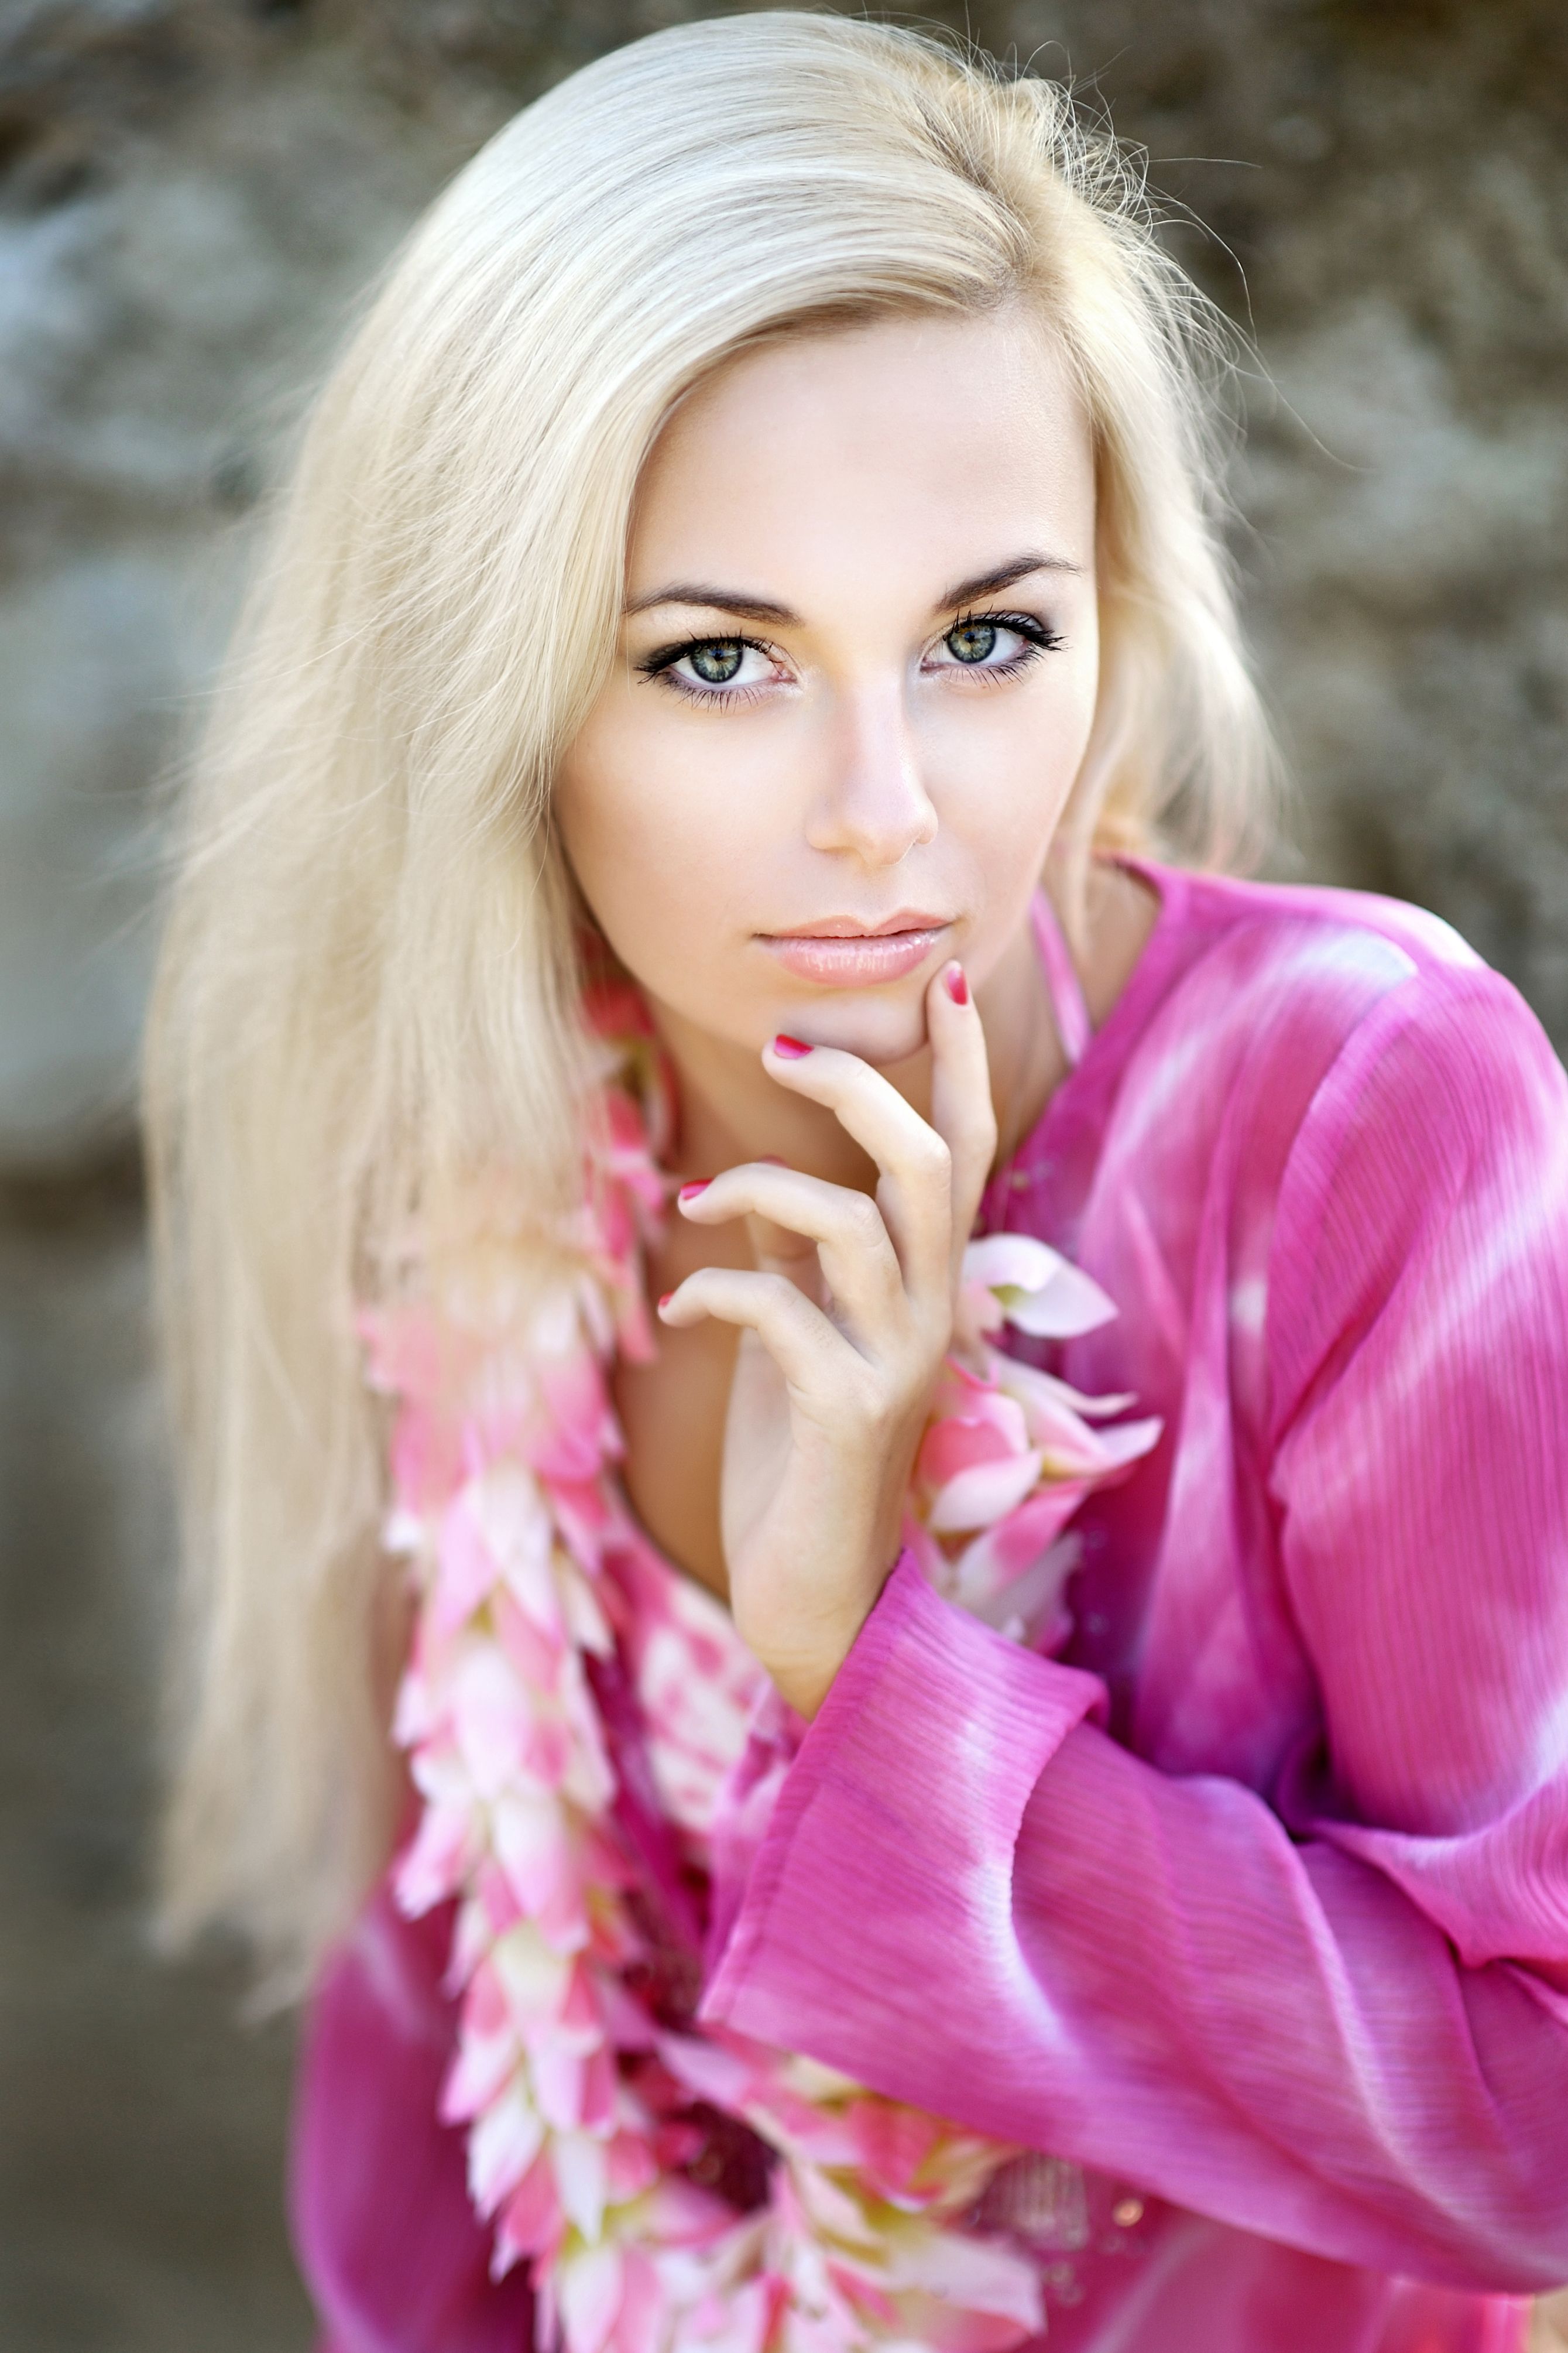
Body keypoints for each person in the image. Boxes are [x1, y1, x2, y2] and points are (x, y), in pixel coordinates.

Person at [143, 16, 1568, 2352]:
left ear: (1109, 616)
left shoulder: (1361, 1109)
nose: (886, 812)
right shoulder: (465, 1149)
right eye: (719, 660)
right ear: (494, 691)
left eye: (985, 638)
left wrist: (868, 1674)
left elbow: (1540, 2120)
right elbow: (432, 2120)